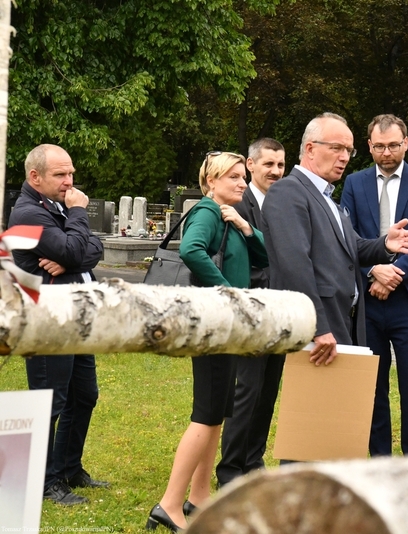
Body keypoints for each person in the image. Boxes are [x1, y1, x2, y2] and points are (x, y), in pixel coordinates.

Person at [147, 152, 269, 532]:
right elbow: (190, 250)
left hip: (224, 326)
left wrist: (246, 227)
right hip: (213, 324)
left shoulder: (228, 215)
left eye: (242, 177)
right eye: (233, 177)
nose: (242, 183)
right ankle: (169, 504)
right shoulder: (206, 211)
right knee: (205, 415)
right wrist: (228, 292)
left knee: (216, 414)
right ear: (212, 181)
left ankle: (199, 497)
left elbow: (263, 256)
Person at [262, 112, 408, 368]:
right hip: (317, 328)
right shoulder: (288, 192)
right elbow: (295, 265)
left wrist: (385, 245)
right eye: (337, 148)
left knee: (338, 406)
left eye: (348, 150)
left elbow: (352, 248)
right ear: (310, 149)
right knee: (319, 406)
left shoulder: (325, 195)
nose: (345, 157)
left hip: (341, 320)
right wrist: (316, 326)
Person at [8, 144, 108, 505]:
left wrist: (71, 257)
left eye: (71, 174)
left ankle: (68, 468)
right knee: (49, 402)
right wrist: (77, 224)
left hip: (75, 316)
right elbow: (71, 248)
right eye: (60, 175)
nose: (70, 182)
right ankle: (44, 482)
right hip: (46, 320)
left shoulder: (56, 207)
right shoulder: (27, 213)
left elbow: (91, 248)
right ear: (34, 177)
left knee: (85, 396)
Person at [341, 114, 408, 456]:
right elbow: (347, 236)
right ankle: (379, 460)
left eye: (394, 145)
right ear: (369, 146)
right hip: (368, 300)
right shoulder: (354, 184)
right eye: (380, 146)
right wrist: (374, 271)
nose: (387, 153)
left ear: (406, 143)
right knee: (372, 384)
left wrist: (394, 273)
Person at [216, 138, 286, 487]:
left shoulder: (285, 204)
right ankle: (230, 468)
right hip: (251, 310)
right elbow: (241, 262)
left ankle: (253, 460)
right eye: (268, 164)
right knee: (247, 390)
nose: (275, 171)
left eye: (280, 165)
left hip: (280, 312)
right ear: (251, 164)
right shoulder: (237, 205)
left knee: (268, 389)